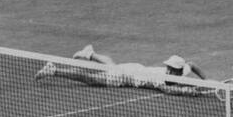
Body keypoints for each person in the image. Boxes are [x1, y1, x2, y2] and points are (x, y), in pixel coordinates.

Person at [35, 44, 209, 95]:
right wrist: (191, 91)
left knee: (111, 65)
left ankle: (90, 54)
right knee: (91, 79)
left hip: (134, 68)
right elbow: (168, 90)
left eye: (172, 69)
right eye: (169, 68)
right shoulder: (161, 79)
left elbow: (192, 64)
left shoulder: (181, 72)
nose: (168, 70)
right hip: (127, 76)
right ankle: (55, 70)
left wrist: (205, 81)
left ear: (178, 71)